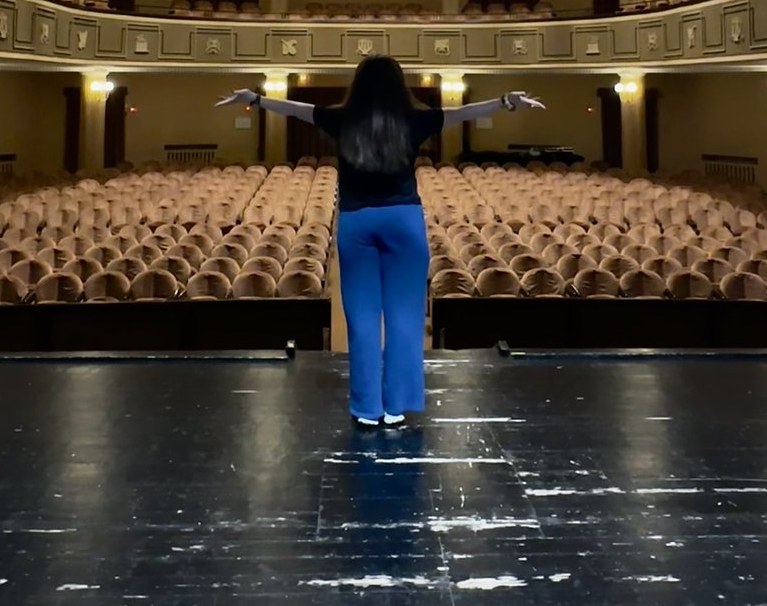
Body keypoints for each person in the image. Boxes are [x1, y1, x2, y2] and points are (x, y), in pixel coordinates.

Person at [216, 56, 544, 427]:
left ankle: (367, 408)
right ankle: (396, 406)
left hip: (357, 222)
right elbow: (463, 113)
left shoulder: (342, 119)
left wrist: (256, 99)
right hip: (403, 219)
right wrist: (506, 102)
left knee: (362, 317)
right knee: (405, 316)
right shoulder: (413, 119)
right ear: (398, 85)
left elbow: (295, 110)